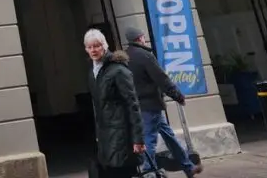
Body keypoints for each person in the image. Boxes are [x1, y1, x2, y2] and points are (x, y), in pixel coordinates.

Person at [124, 27, 203, 177]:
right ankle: (148, 171)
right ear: (140, 38)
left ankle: (188, 167)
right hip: (150, 105)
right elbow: (161, 79)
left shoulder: (126, 58)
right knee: (149, 140)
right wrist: (177, 95)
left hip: (137, 105)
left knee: (169, 137)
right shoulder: (145, 56)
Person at [84, 28, 146, 178]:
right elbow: (98, 106)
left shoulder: (118, 70)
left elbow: (133, 105)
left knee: (122, 172)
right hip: (106, 136)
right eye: (90, 47)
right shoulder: (93, 73)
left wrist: (138, 139)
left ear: (104, 46)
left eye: (97, 46)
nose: (93, 50)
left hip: (121, 134)